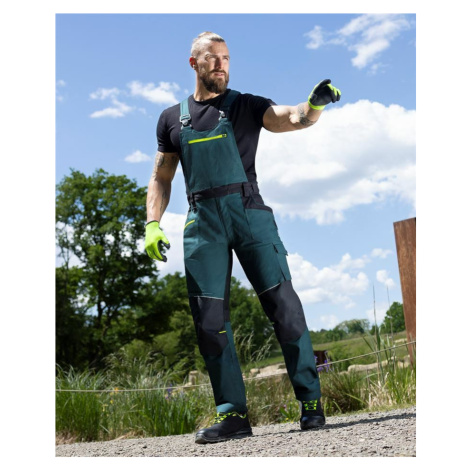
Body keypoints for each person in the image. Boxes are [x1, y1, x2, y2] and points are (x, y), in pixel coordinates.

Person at [145, 31, 341, 444]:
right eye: (213, 57)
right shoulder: (172, 119)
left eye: (226, 58)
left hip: (248, 213)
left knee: (284, 307)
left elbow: (292, 118)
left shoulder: (247, 105)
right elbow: (162, 175)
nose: (221, 64)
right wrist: (152, 223)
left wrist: (315, 105)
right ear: (194, 63)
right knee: (209, 321)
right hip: (202, 223)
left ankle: (310, 403)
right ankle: (232, 415)